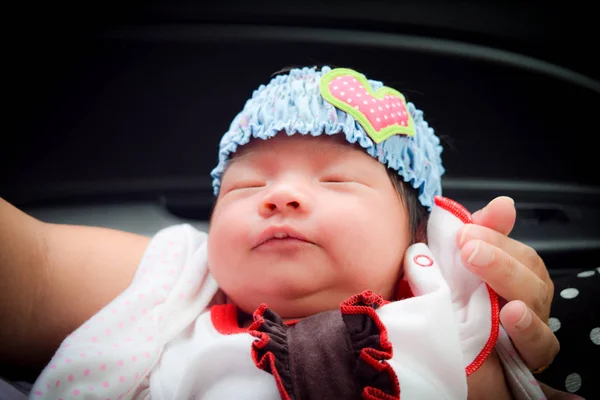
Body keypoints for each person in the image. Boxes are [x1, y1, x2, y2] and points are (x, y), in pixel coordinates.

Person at [0, 66, 566, 399]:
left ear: (419, 236)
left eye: (337, 179)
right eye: (246, 187)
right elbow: (37, 268)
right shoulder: (179, 293)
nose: (281, 196)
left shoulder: (453, 315)